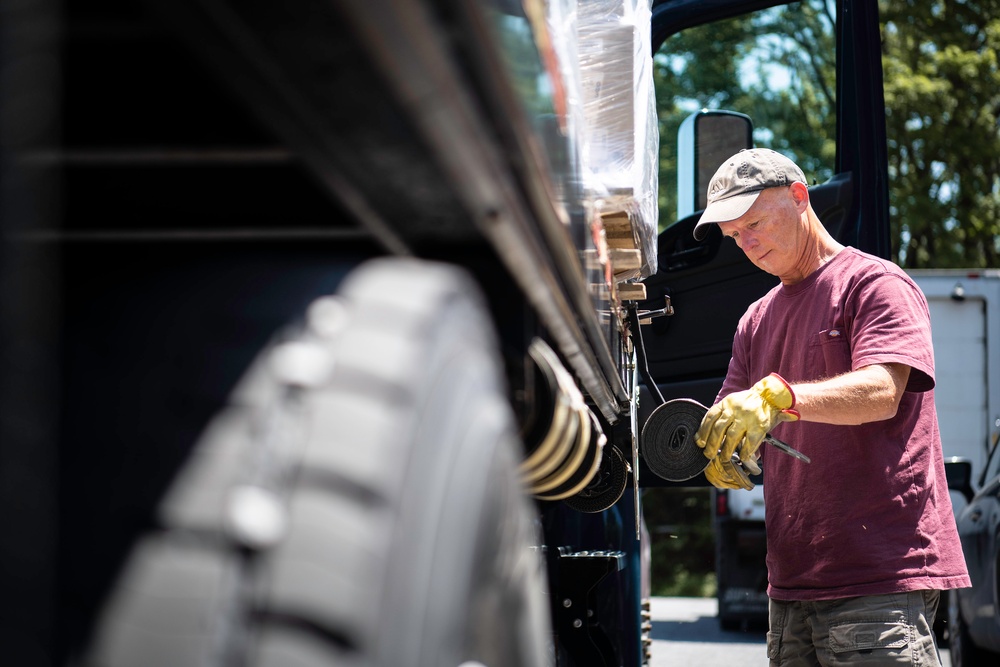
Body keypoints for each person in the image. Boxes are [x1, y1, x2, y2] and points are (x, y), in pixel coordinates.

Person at [692, 148, 971, 666]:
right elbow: (730, 412)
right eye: (734, 236)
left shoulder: (875, 284)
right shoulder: (755, 319)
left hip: (880, 576)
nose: (747, 244)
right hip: (791, 585)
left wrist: (782, 396)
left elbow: (883, 391)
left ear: (800, 197)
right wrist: (722, 451)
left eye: (753, 223)